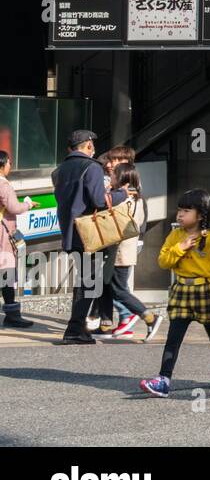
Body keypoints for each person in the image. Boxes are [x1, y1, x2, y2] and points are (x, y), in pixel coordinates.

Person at [140, 189, 210, 397]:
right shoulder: (175, 235)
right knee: (174, 336)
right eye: (179, 210)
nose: (180, 215)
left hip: (205, 289)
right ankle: (164, 379)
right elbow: (163, 261)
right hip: (182, 289)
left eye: (186, 211)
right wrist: (180, 248)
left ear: (201, 215)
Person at [54, 129, 129, 345]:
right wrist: (121, 194)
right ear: (88, 146)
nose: (93, 149)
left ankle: (76, 328)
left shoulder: (61, 170)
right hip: (89, 235)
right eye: (92, 145)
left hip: (70, 232)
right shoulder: (92, 167)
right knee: (89, 283)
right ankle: (75, 330)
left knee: (84, 281)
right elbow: (98, 200)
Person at [104, 163, 163, 340]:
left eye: (114, 174)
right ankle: (140, 317)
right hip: (125, 251)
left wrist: (107, 191)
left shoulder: (122, 199)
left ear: (121, 178)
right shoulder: (137, 198)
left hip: (120, 252)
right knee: (115, 288)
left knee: (119, 290)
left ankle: (148, 317)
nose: (111, 177)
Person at [0, 150, 34, 328]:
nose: (10, 166)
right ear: (3, 164)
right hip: (3, 235)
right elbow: (13, 207)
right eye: (9, 163)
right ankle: (12, 315)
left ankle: (12, 314)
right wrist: (28, 204)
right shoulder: (3, 185)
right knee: (7, 273)